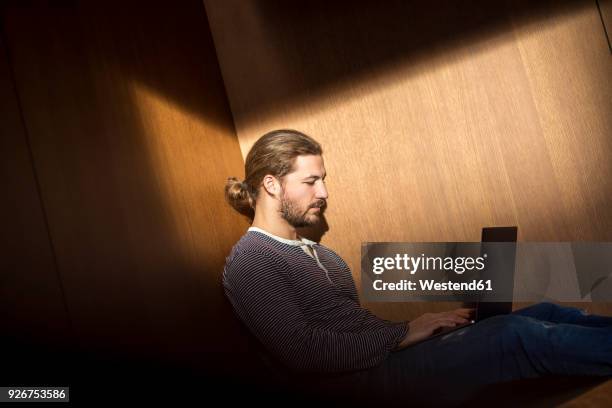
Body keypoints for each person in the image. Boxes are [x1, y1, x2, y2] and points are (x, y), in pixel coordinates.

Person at [222, 129, 612, 405]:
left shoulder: (322, 255)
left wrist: (428, 326)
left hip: (384, 363)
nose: (323, 193)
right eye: (310, 182)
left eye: (323, 180)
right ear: (271, 185)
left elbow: (356, 331)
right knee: (511, 336)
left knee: (544, 313)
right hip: (355, 387)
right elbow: (304, 353)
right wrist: (406, 332)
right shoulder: (252, 259)